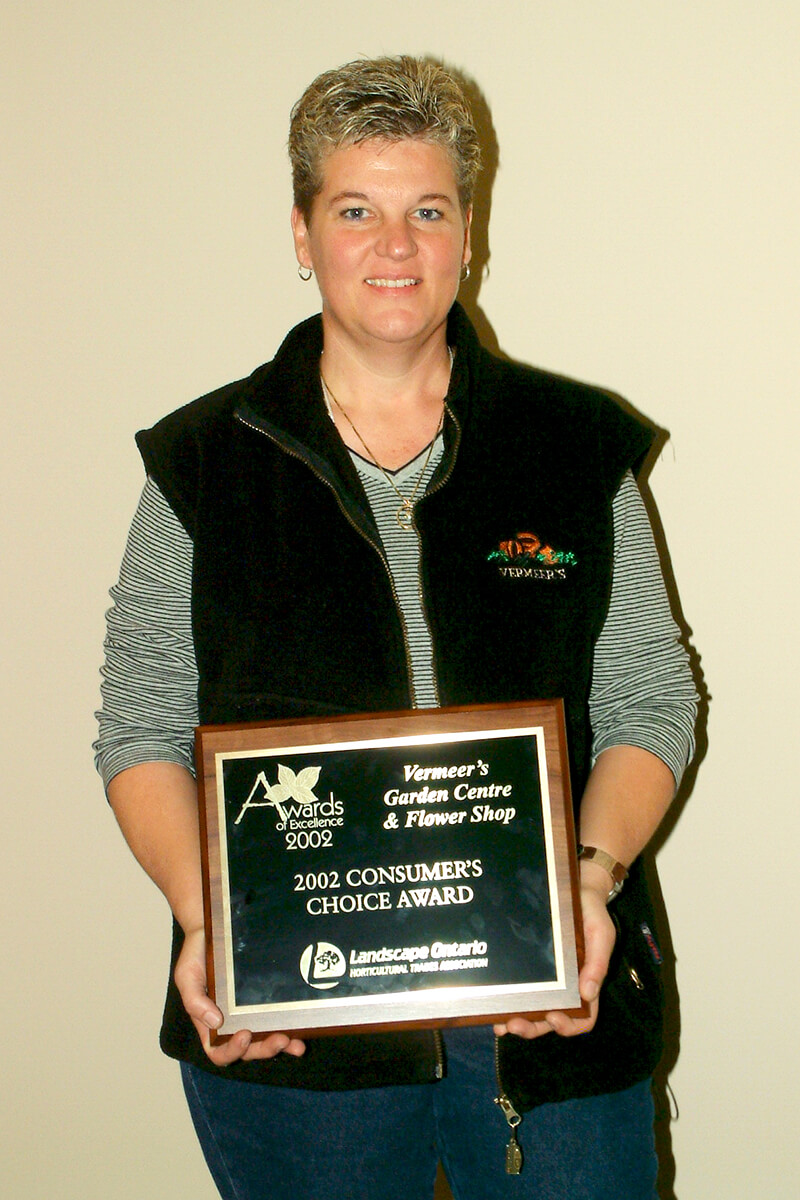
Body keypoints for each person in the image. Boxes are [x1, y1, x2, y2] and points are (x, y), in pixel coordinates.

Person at [96, 55, 697, 1200]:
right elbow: (140, 728)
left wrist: (587, 877)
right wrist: (208, 920)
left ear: (466, 230)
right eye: (355, 210)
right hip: (297, 1026)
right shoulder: (200, 464)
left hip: (545, 1012)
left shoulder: (576, 448)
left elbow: (647, 700)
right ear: (300, 229)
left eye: (425, 210)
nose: (393, 246)